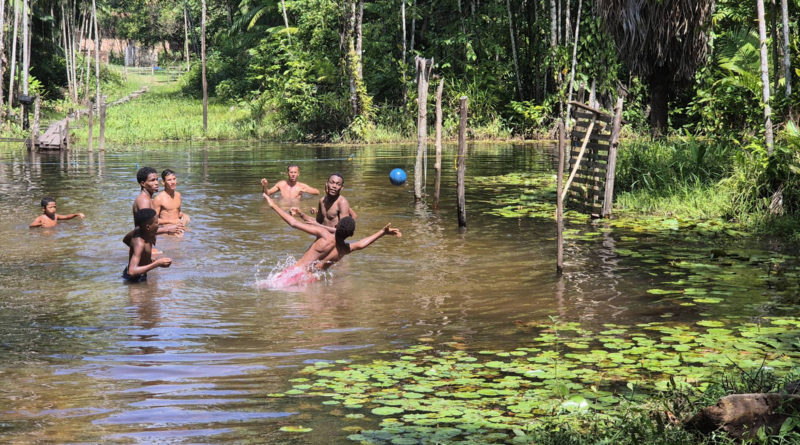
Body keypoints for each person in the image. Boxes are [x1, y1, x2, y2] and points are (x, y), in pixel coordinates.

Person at [264, 194, 401, 286]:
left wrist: (274, 206)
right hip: (310, 280)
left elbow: (293, 223)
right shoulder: (345, 249)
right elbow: (361, 244)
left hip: (297, 273)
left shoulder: (324, 235)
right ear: (351, 234)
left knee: (265, 286)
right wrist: (382, 232)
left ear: (336, 226)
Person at [122, 208, 173, 282]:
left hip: (139, 275)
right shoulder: (140, 244)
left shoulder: (139, 231)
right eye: (156, 222)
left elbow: (125, 240)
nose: (158, 224)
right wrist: (157, 264)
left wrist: (145, 257)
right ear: (148, 227)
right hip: (134, 280)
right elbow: (132, 272)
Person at [133, 167, 183, 237]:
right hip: (143, 243)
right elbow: (146, 229)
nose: (156, 183)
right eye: (152, 180)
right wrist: (168, 229)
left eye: (156, 180)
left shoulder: (147, 199)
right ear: (143, 184)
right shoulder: (144, 201)